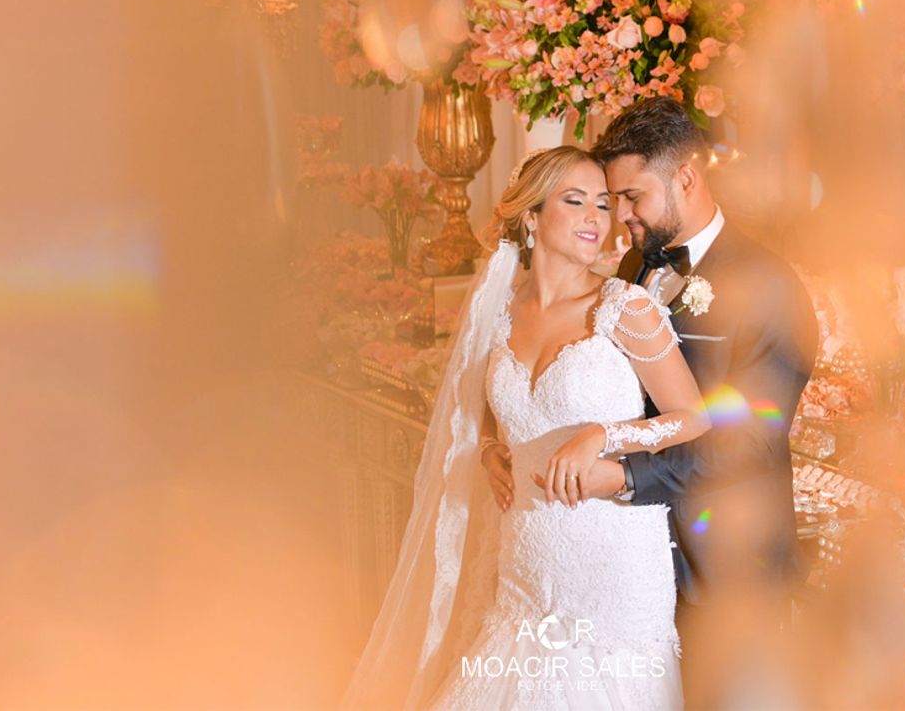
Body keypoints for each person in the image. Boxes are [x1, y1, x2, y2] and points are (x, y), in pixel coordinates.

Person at [342, 145, 709, 710]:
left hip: (613, 564)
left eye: (603, 204)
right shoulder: (498, 312)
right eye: (575, 201)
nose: (596, 217)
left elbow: (691, 416)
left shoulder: (624, 308)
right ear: (532, 218)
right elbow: (493, 406)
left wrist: (604, 436)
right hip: (526, 561)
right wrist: (490, 446)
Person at [504, 98, 820, 701]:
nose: (619, 216)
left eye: (631, 197)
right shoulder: (635, 264)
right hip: (631, 567)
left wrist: (625, 476)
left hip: (725, 572)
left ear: (687, 179)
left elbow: (750, 439)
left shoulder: (770, 287)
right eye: (612, 199)